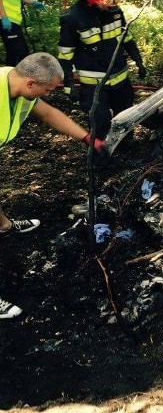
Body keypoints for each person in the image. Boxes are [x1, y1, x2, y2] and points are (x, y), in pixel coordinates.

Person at [0, 52, 105, 319]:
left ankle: (4, 225)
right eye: (48, 89)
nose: (49, 94)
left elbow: (48, 114)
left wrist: (86, 138)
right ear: (32, 83)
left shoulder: (17, 84)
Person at [58, 0, 146, 140]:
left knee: (126, 116)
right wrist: (68, 82)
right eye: (106, 0)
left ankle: (126, 147)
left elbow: (126, 39)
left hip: (120, 78)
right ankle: (101, 158)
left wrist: (138, 60)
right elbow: (65, 55)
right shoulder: (72, 18)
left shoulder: (114, 12)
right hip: (94, 85)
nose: (110, 3)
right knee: (100, 123)